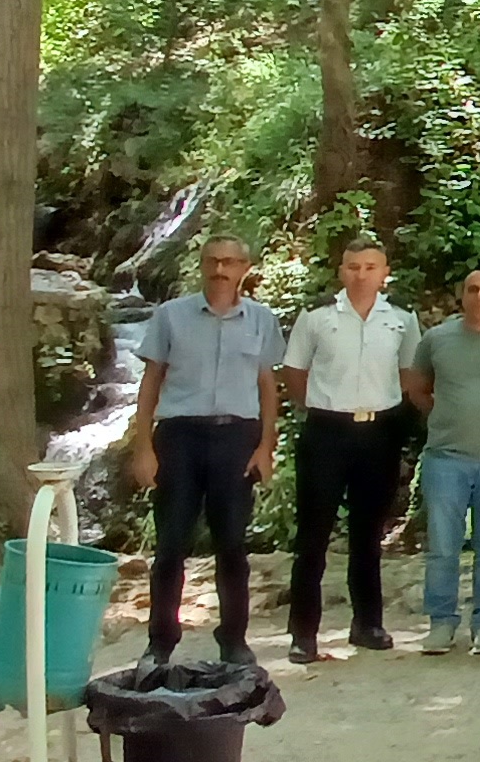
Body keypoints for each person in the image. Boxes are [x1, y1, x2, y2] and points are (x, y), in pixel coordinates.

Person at [126, 235, 285, 667]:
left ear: (245, 269)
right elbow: (151, 383)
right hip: (179, 437)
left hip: (237, 439)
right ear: (202, 265)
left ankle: (233, 640)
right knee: (171, 545)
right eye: (213, 261)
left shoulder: (261, 320)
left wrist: (265, 446)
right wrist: (144, 447)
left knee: (232, 545)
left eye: (230, 262)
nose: (220, 270)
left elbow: (268, 387)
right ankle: (160, 642)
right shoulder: (171, 316)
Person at [282, 236, 422, 662]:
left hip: (379, 432)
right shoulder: (318, 317)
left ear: (384, 273)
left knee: (368, 534)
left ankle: (367, 623)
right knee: (313, 535)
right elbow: (294, 373)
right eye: (353, 267)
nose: (362, 274)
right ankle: (304, 633)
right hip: (327, 431)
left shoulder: (400, 320)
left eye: (370, 267)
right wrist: (324, 408)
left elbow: (410, 375)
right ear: (341, 271)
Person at [404, 268, 480, 656]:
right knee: (443, 546)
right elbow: (417, 388)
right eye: (472, 289)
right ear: (462, 294)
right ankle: (441, 623)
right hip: (446, 459)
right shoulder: (437, 339)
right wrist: (445, 418)